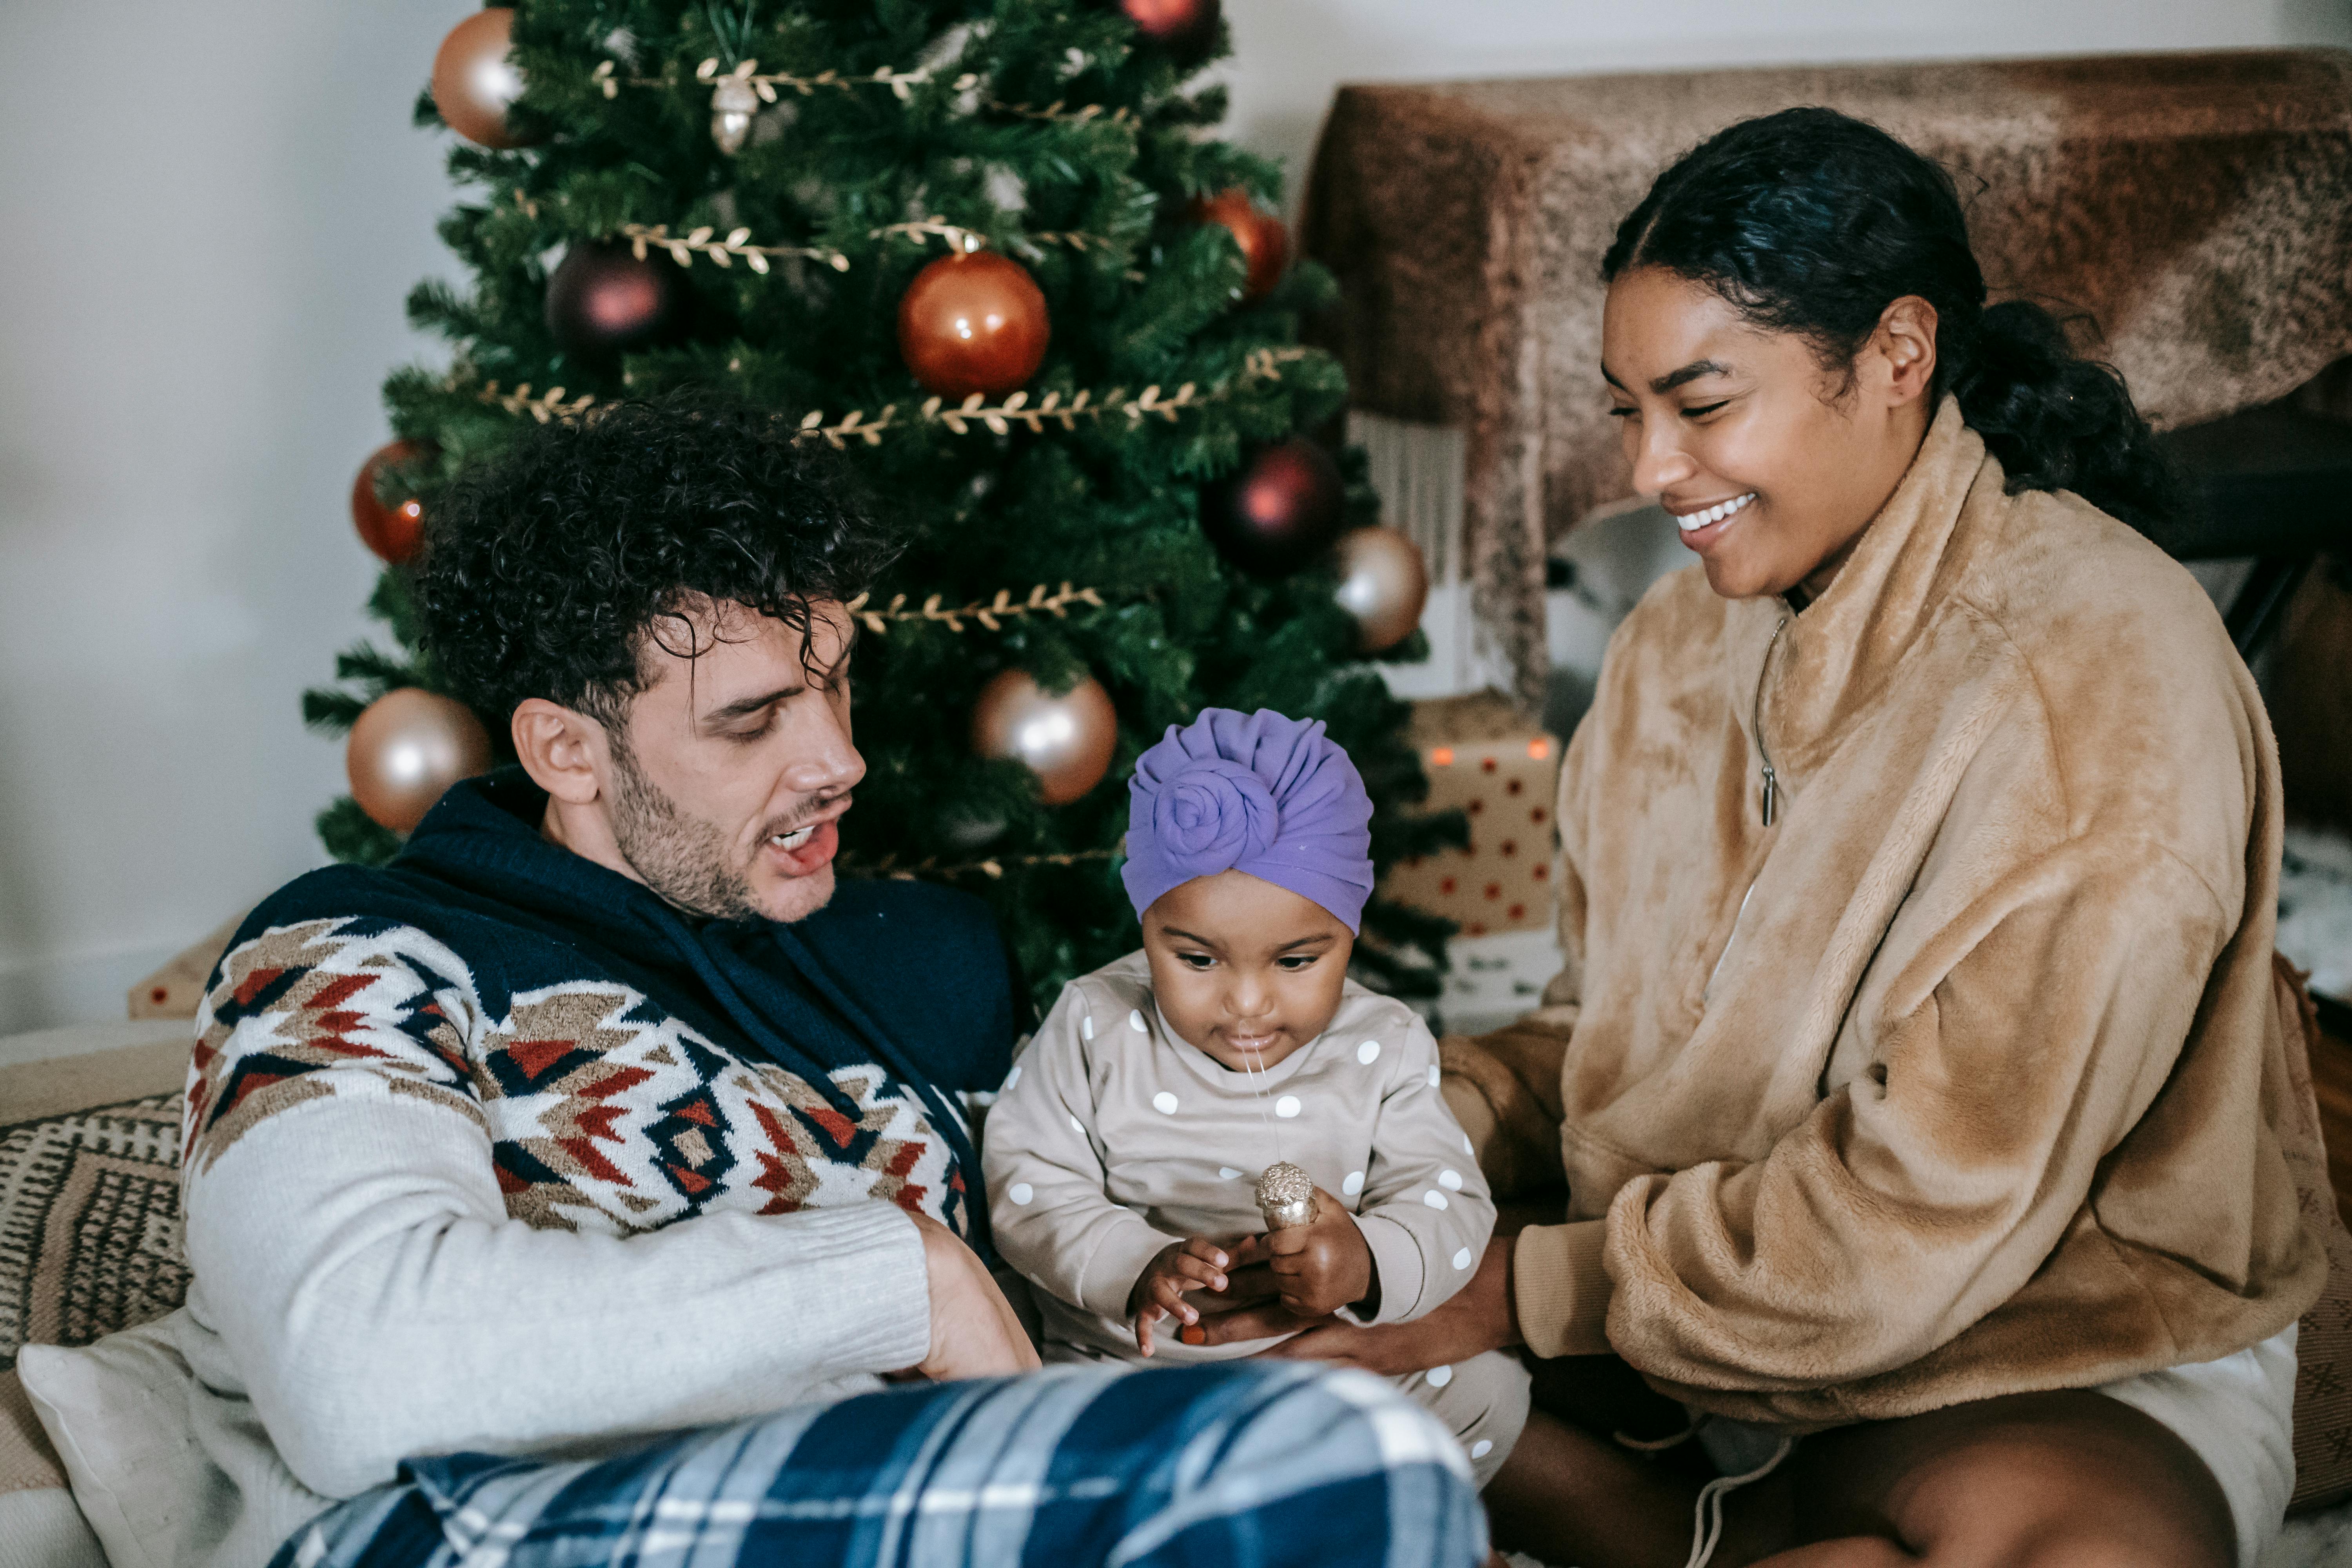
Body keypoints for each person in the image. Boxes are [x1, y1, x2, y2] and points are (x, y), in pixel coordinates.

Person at [1182, 108, 2330, 1568]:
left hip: (2043, 1346)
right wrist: (1399, 1145)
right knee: (1236, 1360)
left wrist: (1503, 1297)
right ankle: (1618, 1476)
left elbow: (1924, 1216)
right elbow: (1595, 1034)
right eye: (1626, 409)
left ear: (1899, 358)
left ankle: (1606, 1487)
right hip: (1686, 1304)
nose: (1652, 469)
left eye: (1703, 403)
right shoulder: (1676, 640)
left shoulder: (2098, 675)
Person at [145, 399, 1486, 1568]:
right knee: (1331, 1457)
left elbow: (1083, 1264)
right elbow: (358, 1378)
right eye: (751, 721)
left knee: (1363, 1452)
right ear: (565, 749)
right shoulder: (351, 953)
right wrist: (904, 1273)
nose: (838, 759)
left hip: (913, 1507)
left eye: (835, 686)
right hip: (474, 1526)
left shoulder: (926, 961)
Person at [985, 708, 1531, 1485]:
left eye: (1296, 960)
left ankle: (1348, 1510)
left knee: (1490, 1392)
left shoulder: (1384, 1045)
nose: (1247, 1003)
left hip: (1326, 1361)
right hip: (1138, 1373)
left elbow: (1446, 1195)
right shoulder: (1094, 1023)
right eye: (1198, 959)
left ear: (1350, 929)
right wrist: (1134, 1264)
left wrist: (1368, 1261)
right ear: (1147, 926)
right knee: (1066, 1449)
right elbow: (1028, 1176)